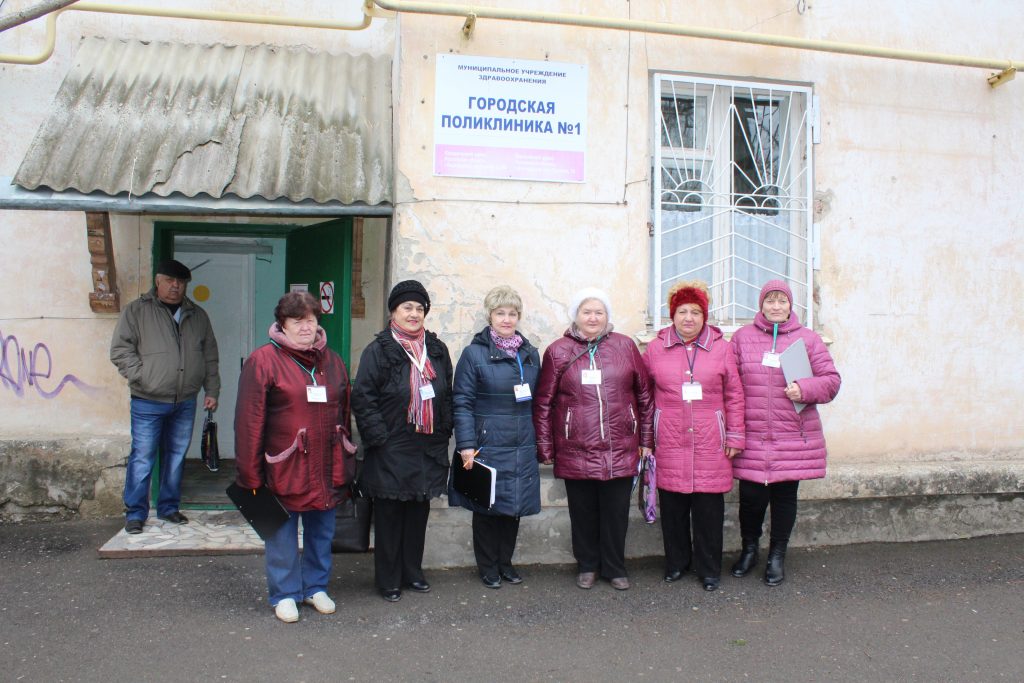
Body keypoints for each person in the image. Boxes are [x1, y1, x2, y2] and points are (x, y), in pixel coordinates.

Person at [234, 291, 354, 623]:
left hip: (326, 463)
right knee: (281, 534)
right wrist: (250, 476)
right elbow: (249, 422)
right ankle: (284, 593)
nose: (305, 328)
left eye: (311, 320)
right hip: (284, 464)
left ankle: (316, 586)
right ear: (282, 324)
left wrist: (346, 454)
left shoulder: (332, 360)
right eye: (297, 321)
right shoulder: (263, 361)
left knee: (322, 531)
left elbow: (344, 412)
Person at [533, 288, 654, 591]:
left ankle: (615, 567)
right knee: (583, 512)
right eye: (587, 311)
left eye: (599, 312)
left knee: (615, 514)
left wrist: (647, 439)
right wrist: (545, 446)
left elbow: (645, 396)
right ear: (576, 316)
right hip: (576, 448)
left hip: (621, 446)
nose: (593, 317)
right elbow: (544, 401)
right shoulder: (558, 350)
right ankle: (587, 565)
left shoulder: (625, 346)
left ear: (607, 317)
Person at [730, 280, 841, 586]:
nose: (776, 306)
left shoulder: (808, 339)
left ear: (791, 305)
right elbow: (731, 385)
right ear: (761, 304)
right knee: (750, 498)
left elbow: (831, 381)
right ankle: (749, 549)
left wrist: (804, 388)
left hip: (792, 435)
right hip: (752, 433)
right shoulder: (742, 338)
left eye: (782, 301)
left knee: (784, 497)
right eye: (770, 301)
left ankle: (777, 554)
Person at [351, 280, 454, 602]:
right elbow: (363, 398)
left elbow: (447, 394)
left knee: (417, 511)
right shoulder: (379, 350)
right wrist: (378, 438)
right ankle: (388, 578)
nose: (414, 314)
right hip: (391, 445)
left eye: (419, 309)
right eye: (407, 307)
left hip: (426, 445)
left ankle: (413, 571)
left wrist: (444, 429)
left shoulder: (436, 349)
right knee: (390, 515)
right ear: (394, 311)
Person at [642, 281, 744, 591]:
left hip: (711, 438)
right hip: (670, 439)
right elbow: (645, 396)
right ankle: (676, 563)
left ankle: (709, 568)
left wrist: (735, 435)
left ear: (705, 316)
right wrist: (646, 440)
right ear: (672, 315)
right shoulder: (655, 349)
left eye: (696, 312)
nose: (689, 318)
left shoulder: (721, 347)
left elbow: (735, 394)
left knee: (708, 510)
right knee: (672, 508)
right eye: (683, 311)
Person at [110, 259, 219, 535]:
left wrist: (212, 390)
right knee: (143, 457)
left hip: (185, 400)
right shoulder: (137, 311)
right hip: (147, 400)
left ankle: (169, 507)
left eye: (180, 282)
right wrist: (142, 376)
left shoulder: (198, 315)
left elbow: (209, 356)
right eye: (169, 281)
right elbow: (120, 350)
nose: (175, 286)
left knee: (176, 457)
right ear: (157, 282)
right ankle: (135, 513)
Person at [450, 285, 542, 588]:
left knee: (512, 507)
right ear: (490, 315)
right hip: (488, 444)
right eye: (500, 313)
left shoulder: (529, 355)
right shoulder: (474, 354)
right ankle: (488, 566)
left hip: (521, 443)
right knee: (487, 507)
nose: (506, 319)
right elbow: (462, 401)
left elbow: (538, 400)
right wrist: (466, 445)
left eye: (512, 313)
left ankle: (506, 563)